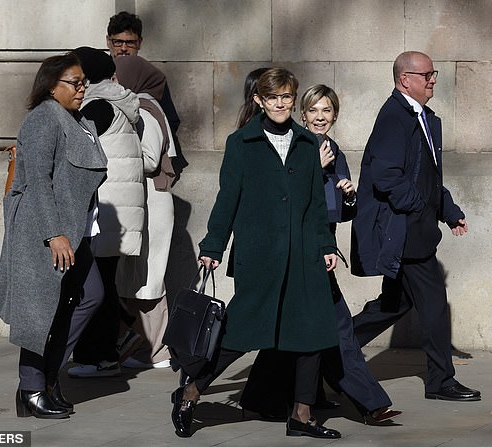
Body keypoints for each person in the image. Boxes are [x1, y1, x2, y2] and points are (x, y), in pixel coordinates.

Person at [170, 68, 342, 439]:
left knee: (311, 334)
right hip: (259, 255)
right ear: (259, 101)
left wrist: (326, 245)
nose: (281, 104)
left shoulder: (308, 143)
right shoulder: (241, 143)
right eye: (273, 97)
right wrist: (213, 246)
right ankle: (191, 392)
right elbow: (227, 199)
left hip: (303, 256)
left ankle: (301, 414)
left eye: (286, 97)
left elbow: (314, 205)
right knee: (238, 335)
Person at [239, 84, 402, 425]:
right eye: (313, 110)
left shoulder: (334, 150)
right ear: (302, 114)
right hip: (295, 250)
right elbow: (278, 197)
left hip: (319, 248)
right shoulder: (295, 145)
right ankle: (369, 403)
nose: (319, 117)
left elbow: (337, 213)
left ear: (335, 115)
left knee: (301, 330)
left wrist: (349, 195)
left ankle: (266, 397)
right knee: (336, 327)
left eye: (326, 111)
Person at [350, 51, 481, 402]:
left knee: (392, 306)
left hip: (416, 228)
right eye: (427, 75)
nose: (433, 80)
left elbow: (427, 175)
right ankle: (440, 382)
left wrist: (448, 210)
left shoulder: (423, 116)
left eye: (433, 74)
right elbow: (386, 175)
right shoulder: (394, 116)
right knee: (434, 303)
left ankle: (331, 346)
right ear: (405, 79)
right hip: (405, 232)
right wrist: (419, 207)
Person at [0, 53, 108, 418]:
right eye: (75, 82)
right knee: (40, 312)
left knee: (89, 297)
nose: (82, 87)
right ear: (50, 85)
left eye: (83, 81)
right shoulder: (43, 118)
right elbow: (38, 181)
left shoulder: (77, 120)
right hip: (45, 232)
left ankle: (46, 378)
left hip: (75, 232)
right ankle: (31, 388)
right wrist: (54, 233)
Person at [67, 47, 158, 378]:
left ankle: (98, 356)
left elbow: (75, 152)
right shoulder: (117, 104)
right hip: (118, 212)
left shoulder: (96, 106)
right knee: (101, 283)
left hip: (104, 211)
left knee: (95, 289)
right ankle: (108, 348)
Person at [113, 54, 177, 369]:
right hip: (145, 198)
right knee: (137, 275)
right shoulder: (140, 105)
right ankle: (149, 347)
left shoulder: (145, 110)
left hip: (151, 198)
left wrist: (118, 149)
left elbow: (151, 160)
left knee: (148, 276)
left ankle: (157, 350)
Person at [106, 11, 180, 135]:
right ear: (108, 41)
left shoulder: (151, 77)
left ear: (140, 42)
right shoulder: (98, 73)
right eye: (118, 42)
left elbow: (171, 121)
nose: (123, 48)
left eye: (130, 43)